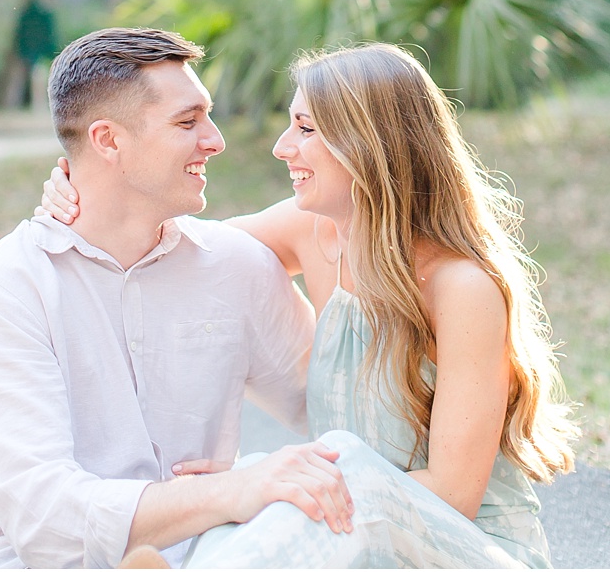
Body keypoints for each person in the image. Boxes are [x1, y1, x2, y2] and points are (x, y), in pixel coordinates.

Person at [41, 42, 575, 568]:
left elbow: (454, 496)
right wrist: (86, 180)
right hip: (353, 533)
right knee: (255, 485)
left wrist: (280, 484)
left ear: (371, 144)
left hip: (466, 547)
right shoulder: (312, 233)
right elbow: (170, 251)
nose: (281, 147)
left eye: (306, 128)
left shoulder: (462, 288)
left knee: (314, 475)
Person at [0, 27, 357, 570]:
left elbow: (340, 420)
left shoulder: (236, 265)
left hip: (208, 557)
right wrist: (229, 490)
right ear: (108, 141)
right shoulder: (8, 286)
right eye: (187, 122)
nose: (215, 140)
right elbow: (45, 521)